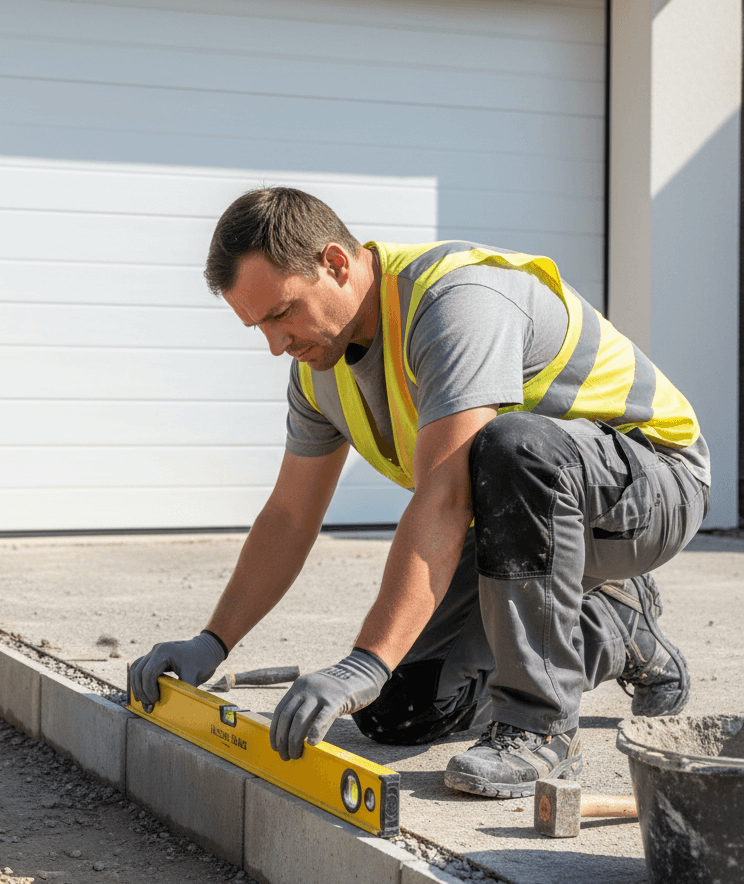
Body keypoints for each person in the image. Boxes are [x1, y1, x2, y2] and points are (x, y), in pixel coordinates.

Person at [129, 187, 709, 799]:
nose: (277, 345)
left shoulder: (455, 304)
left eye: (281, 314)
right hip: (520, 522)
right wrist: (212, 641)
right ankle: (616, 623)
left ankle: (540, 728)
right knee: (395, 711)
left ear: (335, 263)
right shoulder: (320, 367)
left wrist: (364, 659)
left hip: (647, 488)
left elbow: (443, 500)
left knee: (513, 447)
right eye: (258, 327)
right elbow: (290, 516)